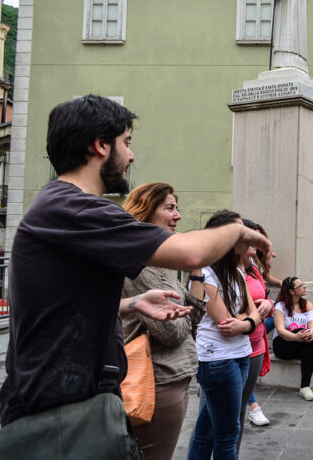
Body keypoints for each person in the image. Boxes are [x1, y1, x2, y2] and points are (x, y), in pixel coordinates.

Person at [0, 95, 270, 435]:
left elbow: (63, 303)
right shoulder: (75, 208)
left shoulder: (63, 205)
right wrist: (239, 230)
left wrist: (133, 303)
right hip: (59, 411)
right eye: (125, 142)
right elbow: (191, 254)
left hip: (69, 402)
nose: (131, 155)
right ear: (100, 145)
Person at [121, 182, 207, 460]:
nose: (178, 215)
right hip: (156, 380)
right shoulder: (141, 267)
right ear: (146, 212)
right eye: (169, 208)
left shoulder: (160, 264)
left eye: (177, 208)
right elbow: (172, 333)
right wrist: (186, 317)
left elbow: (193, 316)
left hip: (175, 376)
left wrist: (196, 270)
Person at [187, 210, 263, 459]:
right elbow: (225, 323)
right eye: (239, 232)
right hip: (218, 360)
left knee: (207, 430)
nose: (246, 237)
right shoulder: (205, 274)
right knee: (229, 434)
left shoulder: (237, 272)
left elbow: (253, 312)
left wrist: (246, 322)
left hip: (241, 354)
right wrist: (248, 320)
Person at [236, 219, 274, 447]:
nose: (258, 242)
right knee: (219, 418)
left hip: (255, 348)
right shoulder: (221, 271)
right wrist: (252, 318)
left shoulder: (253, 268)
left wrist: (268, 304)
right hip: (231, 350)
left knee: (239, 414)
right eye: (252, 237)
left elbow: (265, 298)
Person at [272, 276, 313, 399]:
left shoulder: (307, 304)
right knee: (301, 332)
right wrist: (297, 336)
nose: (304, 287)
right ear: (291, 291)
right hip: (282, 345)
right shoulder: (280, 306)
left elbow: (312, 325)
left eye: (303, 284)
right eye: (300, 286)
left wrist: (311, 332)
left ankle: (305, 387)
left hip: (301, 342)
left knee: (309, 346)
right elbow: (280, 330)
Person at [267, 0, 310, 72]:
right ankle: (298, 62)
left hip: (286, 7)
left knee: (285, 33)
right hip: (299, 14)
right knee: (297, 38)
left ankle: (285, 61)